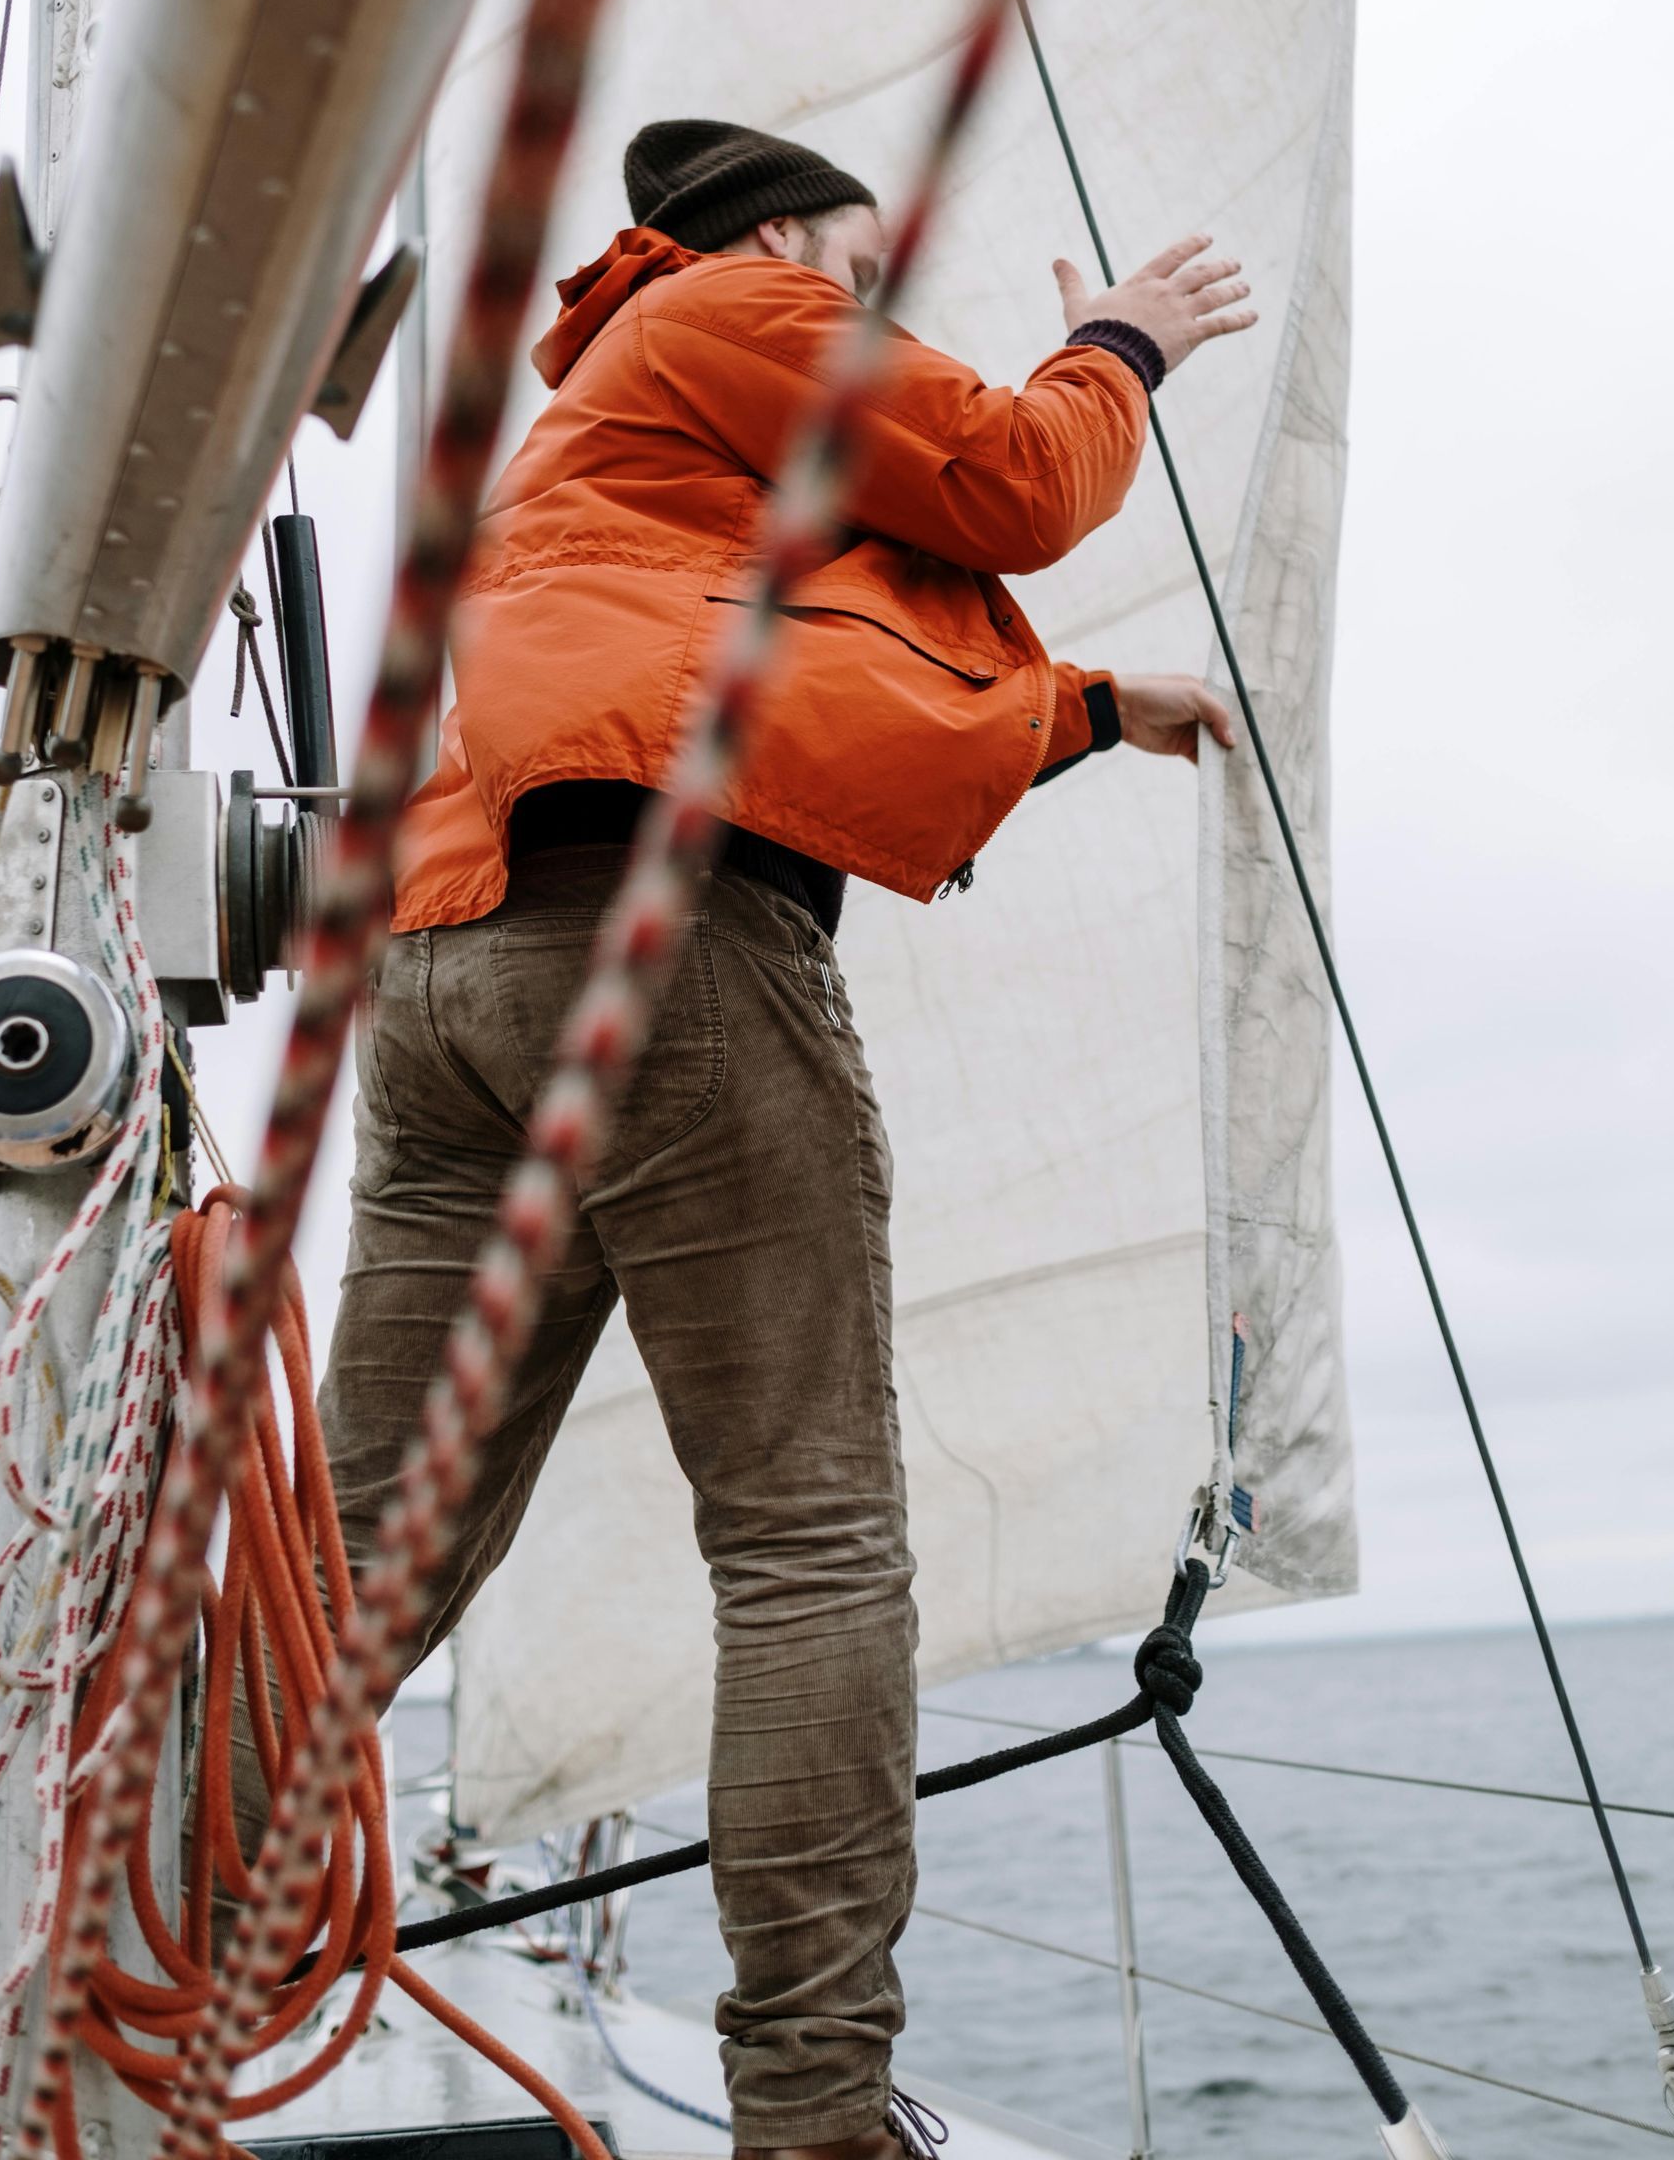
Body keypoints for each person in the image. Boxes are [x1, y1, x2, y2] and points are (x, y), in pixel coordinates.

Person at [318, 119, 1253, 2159]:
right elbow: (1014, 482)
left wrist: (1098, 711)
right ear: (770, 242)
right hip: (664, 959)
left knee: (356, 1559)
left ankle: (153, 1955)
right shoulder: (740, 305)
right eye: (858, 260)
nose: (872, 302)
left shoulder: (607, 446)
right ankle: (816, 2117)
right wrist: (1120, 339)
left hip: (456, 966)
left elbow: (793, 649)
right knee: (810, 1548)